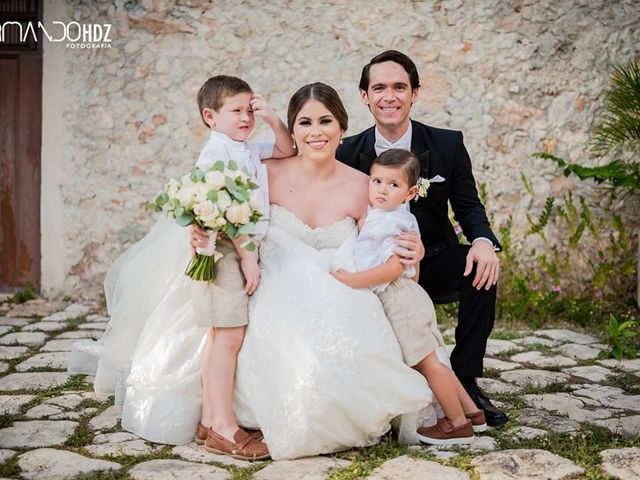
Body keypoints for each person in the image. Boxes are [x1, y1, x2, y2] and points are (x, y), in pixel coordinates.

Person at [89, 82, 434, 461]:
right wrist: (200, 228)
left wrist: (411, 254)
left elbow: (380, 251)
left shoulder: (365, 187)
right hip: (262, 276)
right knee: (239, 333)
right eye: (304, 122)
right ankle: (222, 419)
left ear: (342, 126)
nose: (315, 132)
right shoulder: (260, 170)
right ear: (292, 128)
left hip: (335, 286)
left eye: (325, 121)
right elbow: (217, 205)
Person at [336, 50, 507, 427]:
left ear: (415, 92)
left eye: (400, 86)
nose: (389, 96)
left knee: (481, 268)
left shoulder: (447, 144)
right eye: (379, 87)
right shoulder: (347, 152)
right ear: (364, 95)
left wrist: (483, 242)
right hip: (377, 268)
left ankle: (466, 380)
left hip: (432, 260)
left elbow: (469, 206)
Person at [332, 148, 485, 445]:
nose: (381, 190)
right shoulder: (393, 215)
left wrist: (353, 280)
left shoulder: (390, 223)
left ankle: (456, 424)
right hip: (410, 294)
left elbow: (391, 269)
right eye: (377, 181)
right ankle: (472, 413)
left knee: (427, 363)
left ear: (411, 192)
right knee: (435, 359)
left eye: (393, 185)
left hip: (399, 297)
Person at [189, 75, 294, 460]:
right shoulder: (217, 154)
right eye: (236, 110)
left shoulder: (243, 148)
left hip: (234, 248)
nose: (246, 117)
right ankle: (224, 428)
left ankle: (209, 417)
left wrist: (272, 119)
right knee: (229, 337)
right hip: (224, 253)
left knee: (220, 338)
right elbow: (224, 213)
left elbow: (286, 150)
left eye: (249, 109)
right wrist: (248, 257)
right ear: (210, 116)